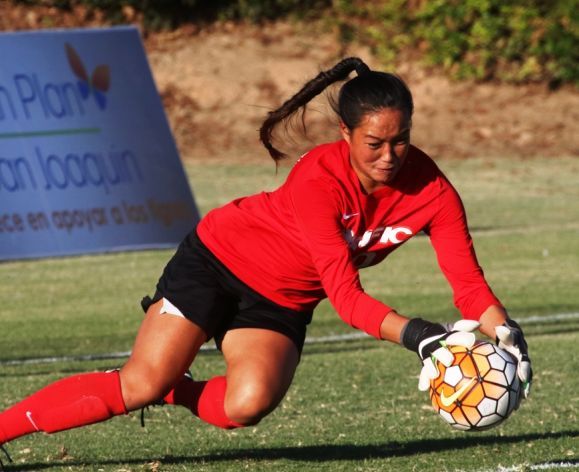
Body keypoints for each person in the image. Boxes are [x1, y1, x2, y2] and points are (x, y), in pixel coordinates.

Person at [0, 57, 531, 465]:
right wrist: (420, 336)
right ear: (345, 134)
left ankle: (175, 391)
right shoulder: (319, 179)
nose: (390, 155)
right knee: (137, 384)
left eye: (402, 141)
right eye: (375, 142)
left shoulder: (433, 191)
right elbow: (345, 297)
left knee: (245, 405)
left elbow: (468, 285)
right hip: (218, 260)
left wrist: (503, 329)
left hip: (281, 299)